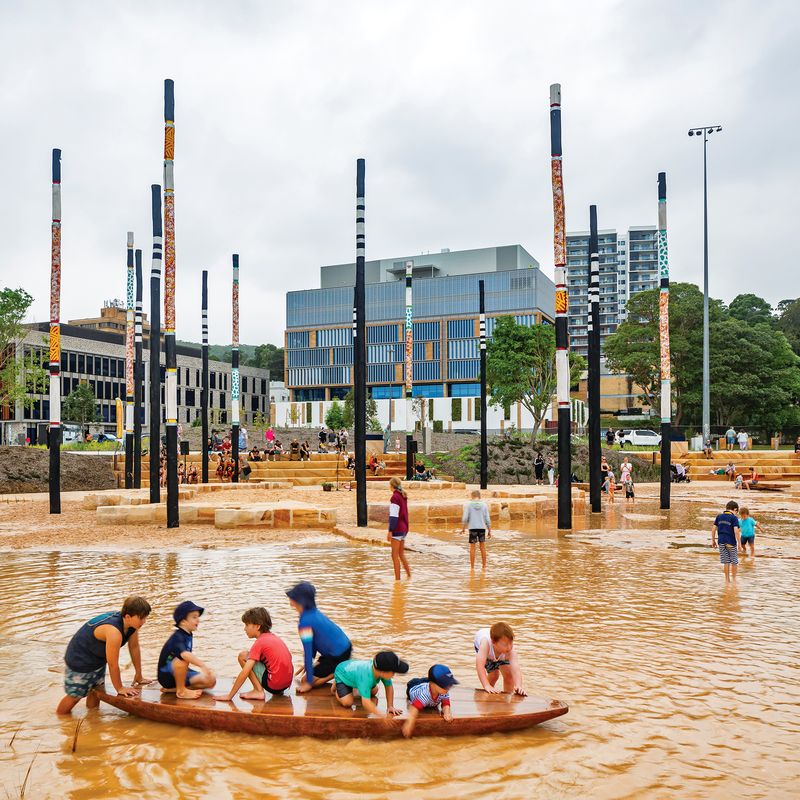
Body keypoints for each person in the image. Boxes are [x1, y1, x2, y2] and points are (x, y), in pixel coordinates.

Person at [56, 596, 152, 715]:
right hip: (79, 659)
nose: (144, 621)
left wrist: (139, 675)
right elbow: (113, 664)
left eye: (145, 617)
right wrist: (120, 688)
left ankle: (93, 719)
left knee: (96, 691)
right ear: (128, 616)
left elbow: (134, 648)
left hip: (96, 658)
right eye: (141, 618)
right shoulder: (114, 632)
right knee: (75, 696)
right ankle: (60, 719)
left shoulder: (132, 626)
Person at [216, 607, 293, 702]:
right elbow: (288, 657)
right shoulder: (275, 638)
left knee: (243, 656)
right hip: (285, 685)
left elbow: (245, 672)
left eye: (247, 625)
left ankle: (258, 691)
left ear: (257, 626)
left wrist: (229, 696)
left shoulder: (259, 643)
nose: (244, 629)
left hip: (274, 686)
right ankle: (276, 689)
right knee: (263, 659)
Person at [286, 581, 352, 692]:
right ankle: (339, 666)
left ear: (300, 601)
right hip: (344, 648)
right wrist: (308, 665)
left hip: (338, 655)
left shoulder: (304, 623)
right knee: (309, 671)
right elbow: (313, 644)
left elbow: (307, 651)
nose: (290, 599)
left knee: (305, 680)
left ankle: (340, 671)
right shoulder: (313, 612)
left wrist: (308, 683)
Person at [157, 601, 216, 700]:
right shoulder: (177, 637)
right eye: (194, 617)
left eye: (198, 617)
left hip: (181, 674)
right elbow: (184, 654)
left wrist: (207, 671)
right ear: (183, 621)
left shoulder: (188, 634)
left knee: (211, 680)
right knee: (181, 660)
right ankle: (181, 691)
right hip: (167, 676)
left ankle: (173, 689)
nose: (198, 620)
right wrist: (202, 665)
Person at [333, 651, 408, 721]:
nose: (394, 674)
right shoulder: (366, 678)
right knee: (347, 702)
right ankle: (337, 687)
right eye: (393, 672)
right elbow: (366, 703)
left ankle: (356, 686)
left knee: (374, 691)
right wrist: (382, 715)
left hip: (355, 673)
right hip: (342, 672)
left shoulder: (380, 671)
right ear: (383, 672)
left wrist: (390, 706)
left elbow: (389, 687)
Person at [402, 664, 458, 738]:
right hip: (414, 686)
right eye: (445, 685)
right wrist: (409, 723)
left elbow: (445, 703)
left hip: (429, 683)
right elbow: (414, 708)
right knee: (416, 682)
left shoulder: (444, 690)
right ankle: (426, 680)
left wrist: (447, 712)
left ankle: (428, 680)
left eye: (449, 684)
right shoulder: (424, 695)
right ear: (433, 684)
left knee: (428, 680)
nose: (448, 688)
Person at [473, 623, 527, 696]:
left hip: (500, 651)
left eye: (511, 643)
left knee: (509, 675)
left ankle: (507, 696)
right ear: (493, 642)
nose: (509, 647)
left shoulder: (510, 650)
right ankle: (487, 693)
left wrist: (519, 686)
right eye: (505, 645)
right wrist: (486, 685)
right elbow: (479, 666)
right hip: (484, 650)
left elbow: (516, 669)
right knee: (494, 675)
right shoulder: (485, 644)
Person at [712, 500, 742, 583]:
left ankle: (727, 580)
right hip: (731, 542)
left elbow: (713, 529)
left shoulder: (719, 516)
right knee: (734, 561)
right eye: (737, 512)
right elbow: (736, 531)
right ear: (735, 509)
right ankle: (734, 581)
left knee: (726, 561)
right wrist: (739, 544)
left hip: (721, 541)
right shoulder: (734, 518)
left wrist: (713, 541)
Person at [388, 476, 412, 580]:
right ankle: (409, 576)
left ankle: (397, 581)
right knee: (401, 554)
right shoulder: (403, 496)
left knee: (394, 555)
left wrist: (390, 530)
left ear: (391, 486)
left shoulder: (395, 497)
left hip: (397, 528)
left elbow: (394, 515)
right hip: (404, 528)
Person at [461, 489, 491, 569]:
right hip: (482, 528)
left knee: (472, 548)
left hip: (473, 528)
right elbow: (487, 519)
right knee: (482, 547)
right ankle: (484, 566)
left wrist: (463, 528)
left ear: (472, 496)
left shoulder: (469, 505)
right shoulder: (484, 505)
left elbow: (465, 518)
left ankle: (472, 567)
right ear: (479, 496)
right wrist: (489, 530)